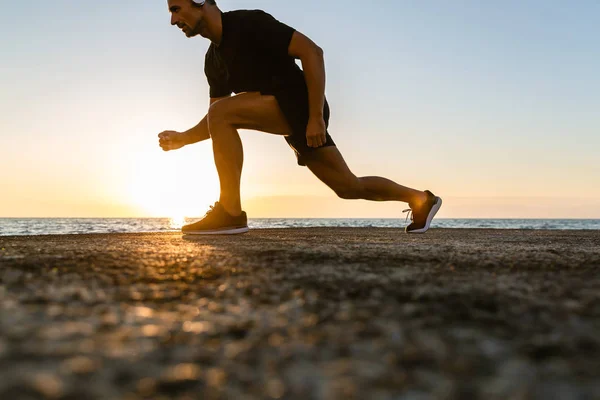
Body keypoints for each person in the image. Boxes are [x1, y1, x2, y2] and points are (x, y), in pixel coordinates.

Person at [159, 0, 442, 235]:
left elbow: (312, 52)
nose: (173, 20)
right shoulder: (213, 61)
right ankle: (420, 199)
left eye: (176, 9)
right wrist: (183, 138)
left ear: (200, 3)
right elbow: (215, 120)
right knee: (347, 186)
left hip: (304, 106)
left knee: (221, 112)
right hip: (288, 118)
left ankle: (230, 212)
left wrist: (316, 117)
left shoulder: (248, 23)